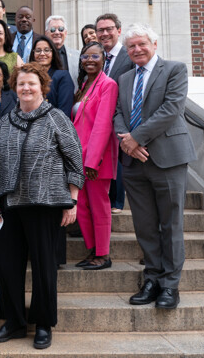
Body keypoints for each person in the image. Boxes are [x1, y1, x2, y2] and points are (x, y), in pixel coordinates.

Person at [0, 63, 84, 350]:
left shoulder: (56, 118)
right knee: (7, 265)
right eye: (21, 84)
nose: (26, 89)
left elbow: (75, 161)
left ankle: (43, 324)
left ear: (42, 87)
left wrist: (72, 201)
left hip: (46, 203)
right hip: (9, 205)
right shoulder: (6, 120)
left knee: (43, 266)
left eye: (32, 84)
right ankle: (14, 322)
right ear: (14, 88)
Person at [114, 24, 197, 310]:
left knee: (170, 224)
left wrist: (136, 138)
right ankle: (152, 278)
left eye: (141, 44)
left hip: (168, 159)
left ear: (154, 44)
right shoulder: (124, 78)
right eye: (131, 46)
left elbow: (171, 109)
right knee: (145, 225)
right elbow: (118, 113)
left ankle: (170, 285)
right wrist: (128, 143)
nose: (137, 50)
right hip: (134, 163)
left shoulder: (174, 70)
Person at [72, 41, 119, 270]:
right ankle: (92, 250)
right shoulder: (84, 85)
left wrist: (93, 161)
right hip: (77, 157)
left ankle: (103, 254)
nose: (89, 60)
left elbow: (102, 125)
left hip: (95, 160)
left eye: (94, 56)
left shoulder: (108, 85)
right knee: (80, 205)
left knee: (99, 206)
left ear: (103, 59)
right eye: (85, 57)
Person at [95, 13, 133, 214]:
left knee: (118, 159)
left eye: (109, 29)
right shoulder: (97, 56)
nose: (104, 33)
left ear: (118, 30)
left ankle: (117, 201)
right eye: (100, 30)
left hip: (122, 118)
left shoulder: (129, 56)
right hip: (99, 119)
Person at [30, 35, 73, 118]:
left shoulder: (62, 76)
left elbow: (64, 112)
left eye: (46, 50)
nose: (42, 54)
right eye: (38, 50)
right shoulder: (29, 77)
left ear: (53, 53)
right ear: (33, 54)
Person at [45, 15, 80, 89]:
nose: (57, 32)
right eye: (53, 29)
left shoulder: (77, 55)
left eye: (61, 29)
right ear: (46, 33)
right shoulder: (38, 56)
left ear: (66, 33)